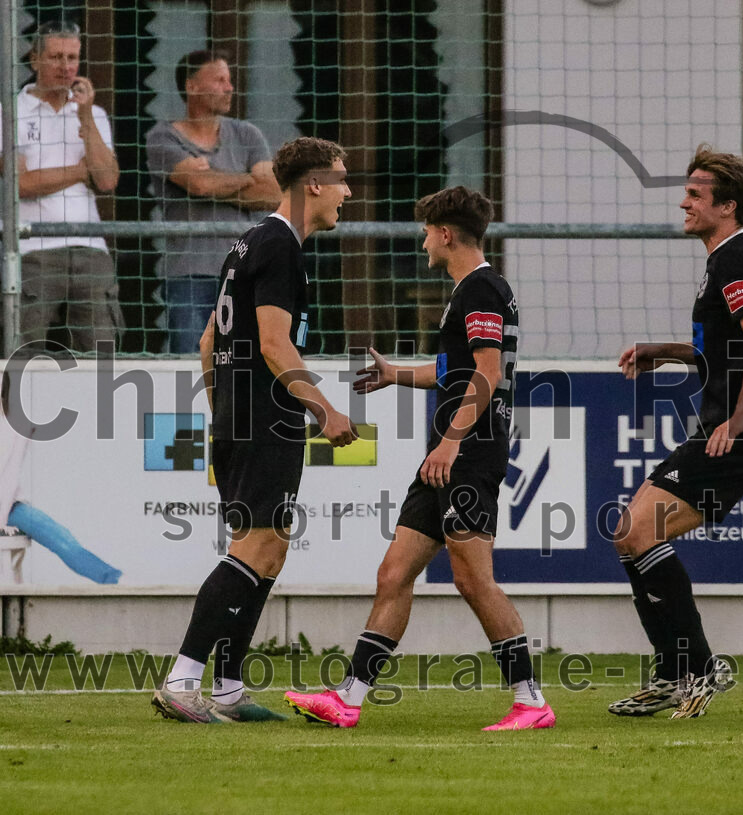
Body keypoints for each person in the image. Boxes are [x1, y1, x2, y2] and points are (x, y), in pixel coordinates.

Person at [284, 186, 555, 731]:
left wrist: (451, 442)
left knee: (474, 581)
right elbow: (456, 371)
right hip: (448, 457)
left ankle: (531, 702)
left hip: (468, 454)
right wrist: (395, 375)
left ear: (446, 234)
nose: (424, 241)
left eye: (428, 232)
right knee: (394, 573)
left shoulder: (481, 289)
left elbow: (487, 373)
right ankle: (348, 699)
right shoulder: (471, 291)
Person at [152, 137, 358, 723]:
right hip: (265, 417)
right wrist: (324, 410)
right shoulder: (279, 246)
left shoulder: (249, 242)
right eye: (341, 179)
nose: (347, 192)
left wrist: (224, 413)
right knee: (257, 547)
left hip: (239, 416)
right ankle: (182, 680)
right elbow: (274, 343)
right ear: (314, 184)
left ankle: (226, 687)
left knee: (270, 549)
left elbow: (208, 342)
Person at [610, 145, 743, 719]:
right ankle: (673, 672)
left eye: (695, 194)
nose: (683, 203)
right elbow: (731, 344)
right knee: (630, 534)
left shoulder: (736, 257)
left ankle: (698, 668)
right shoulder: (729, 259)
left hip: (742, 429)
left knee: (638, 529)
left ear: (727, 206)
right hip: (732, 425)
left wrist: (737, 419)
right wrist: (668, 351)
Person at [146, 50, 280, 354]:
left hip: (243, 272)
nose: (229, 87)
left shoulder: (246, 134)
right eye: (219, 80)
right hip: (188, 275)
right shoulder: (162, 137)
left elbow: (272, 193)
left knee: (244, 365)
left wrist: (214, 181)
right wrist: (247, 178)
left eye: (229, 80)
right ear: (191, 86)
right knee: (191, 364)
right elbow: (200, 184)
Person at [0, 20, 123, 352]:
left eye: (72, 58)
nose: (66, 66)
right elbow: (20, 184)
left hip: (91, 247)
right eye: (56, 57)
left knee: (102, 353)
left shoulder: (94, 114)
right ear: (34, 59)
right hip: (33, 249)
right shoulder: (10, 112)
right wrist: (81, 171)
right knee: (23, 350)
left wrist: (85, 117)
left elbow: (107, 179)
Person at [0, 369, 121, 584]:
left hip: (10, 507)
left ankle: (113, 579)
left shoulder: (16, 427)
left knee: (60, 537)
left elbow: (9, 479)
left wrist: (1, 520)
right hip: (8, 510)